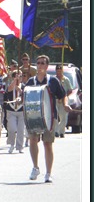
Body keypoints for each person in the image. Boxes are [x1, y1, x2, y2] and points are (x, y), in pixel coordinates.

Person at [25, 55, 71, 183]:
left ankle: (48, 173)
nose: (40, 65)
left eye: (42, 63)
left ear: (46, 66)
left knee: (47, 144)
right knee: (33, 140)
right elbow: (25, 96)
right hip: (34, 116)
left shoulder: (53, 81)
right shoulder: (31, 81)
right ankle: (35, 167)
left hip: (50, 116)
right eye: (38, 63)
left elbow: (63, 95)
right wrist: (19, 99)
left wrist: (66, 104)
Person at [6, 70, 25, 154]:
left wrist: (19, 90)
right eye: (17, 76)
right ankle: (11, 144)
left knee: (21, 129)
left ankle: (20, 146)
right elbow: (9, 89)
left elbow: (25, 94)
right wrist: (14, 82)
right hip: (11, 110)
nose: (19, 78)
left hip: (21, 110)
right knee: (12, 128)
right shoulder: (10, 85)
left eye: (20, 76)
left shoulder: (24, 86)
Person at [54, 64, 73, 138]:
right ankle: (56, 131)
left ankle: (61, 131)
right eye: (57, 71)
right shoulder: (54, 79)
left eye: (60, 71)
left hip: (64, 100)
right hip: (55, 100)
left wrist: (64, 96)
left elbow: (70, 90)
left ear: (62, 71)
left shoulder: (66, 79)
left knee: (64, 117)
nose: (59, 72)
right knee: (55, 117)